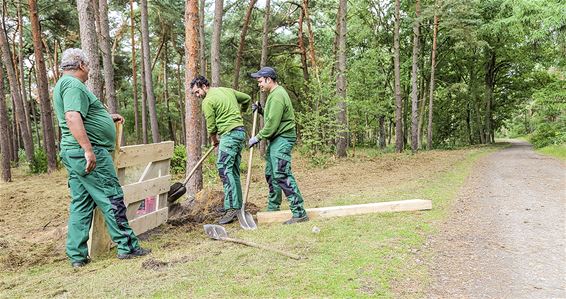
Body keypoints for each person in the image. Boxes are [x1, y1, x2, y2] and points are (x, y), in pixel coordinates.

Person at [53, 48, 150, 268]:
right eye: (88, 66)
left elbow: (82, 114)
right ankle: (128, 246)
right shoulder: (72, 84)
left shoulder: (65, 85)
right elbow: (72, 116)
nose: (89, 71)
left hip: (74, 153)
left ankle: (77, 255)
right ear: (81, 65)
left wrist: (106, 118)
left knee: (82, 203)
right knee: (111, 195)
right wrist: (88, 149)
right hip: (88, 153)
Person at [248, 67, 308, 224]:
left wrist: (258, 137)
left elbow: (272, 125)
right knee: (271, 174)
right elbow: (273, 117)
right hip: (276, 139)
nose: (259, 85)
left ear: (268, 79)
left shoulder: (277, 96)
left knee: (281, 173)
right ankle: (273, 209)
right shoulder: (274, 95)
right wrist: (261, 111)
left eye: (260, 81)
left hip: (282, 138)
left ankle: (299, 212)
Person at [190, 76, 251, 224]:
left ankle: (232, 209)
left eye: (197, 92)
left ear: (204, 86)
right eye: (195, 94)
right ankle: (233, 204)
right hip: (240, 133)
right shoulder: (226, 90)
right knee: (233, 170)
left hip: (229, 135)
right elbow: (247, 98)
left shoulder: (208, 101)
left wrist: (214, 140)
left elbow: (211, 126)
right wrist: (241, 114)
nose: (197, 96)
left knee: (224, 169)